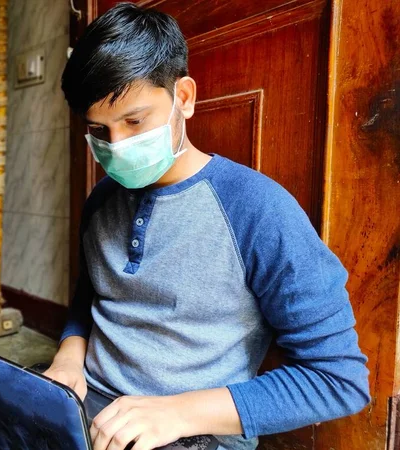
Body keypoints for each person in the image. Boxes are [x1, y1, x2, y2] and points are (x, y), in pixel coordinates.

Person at [41, 3, 370, 450]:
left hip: (192, 435)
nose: (117, 147)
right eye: (99, 130)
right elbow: (91, 295)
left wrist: (177, 412)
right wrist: (68, 356)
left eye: (135, 120)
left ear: (184, 97)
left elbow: (338, 378)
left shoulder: (257, 208)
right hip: (87, 406)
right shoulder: (101, 201)